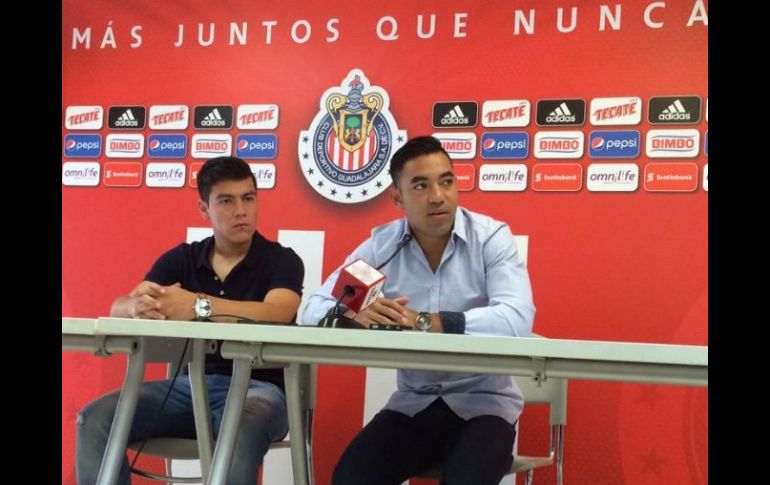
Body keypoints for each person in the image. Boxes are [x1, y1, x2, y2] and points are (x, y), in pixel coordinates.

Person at [302, 135, 535, 485]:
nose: (438, 196)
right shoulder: (383, 246)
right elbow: (312, 308)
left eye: (446, 181)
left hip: (485, 407)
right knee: (350, 477)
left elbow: (517, 318)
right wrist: (354, 313)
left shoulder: (490, 238)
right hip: (415, 404)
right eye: (421, 185)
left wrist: (427, 321)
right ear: (397, 197)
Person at [76, 156, 304, 485]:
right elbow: (118, 306)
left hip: (261, 390)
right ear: (203, 209)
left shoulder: (282, 260)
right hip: (187, 389)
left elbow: (278, 313)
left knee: (240, 426)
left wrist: (199, 306)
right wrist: (136, 308)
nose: (241, 210)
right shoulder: (181, 259)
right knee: (94, 419)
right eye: (227, 200)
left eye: (248, 198)